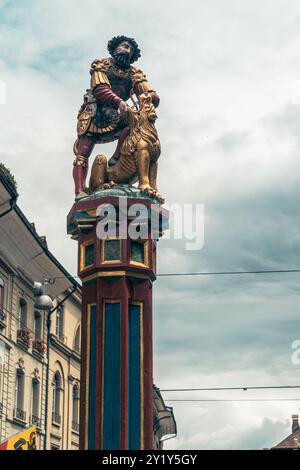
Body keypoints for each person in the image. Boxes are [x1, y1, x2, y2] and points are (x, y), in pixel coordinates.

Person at [73, 35, 160, 200]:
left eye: (129, 48)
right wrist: (120, 102)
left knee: (133, 125)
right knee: (83, 153)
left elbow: (148, 92)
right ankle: (79, 190)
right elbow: (100, 89)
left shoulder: (134, 73)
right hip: (95, 112)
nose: (126, 50)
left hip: (119, 113)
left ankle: (117, 158)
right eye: (123, 46)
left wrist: (150, 97)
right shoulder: (101, 65)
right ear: (114, 48)